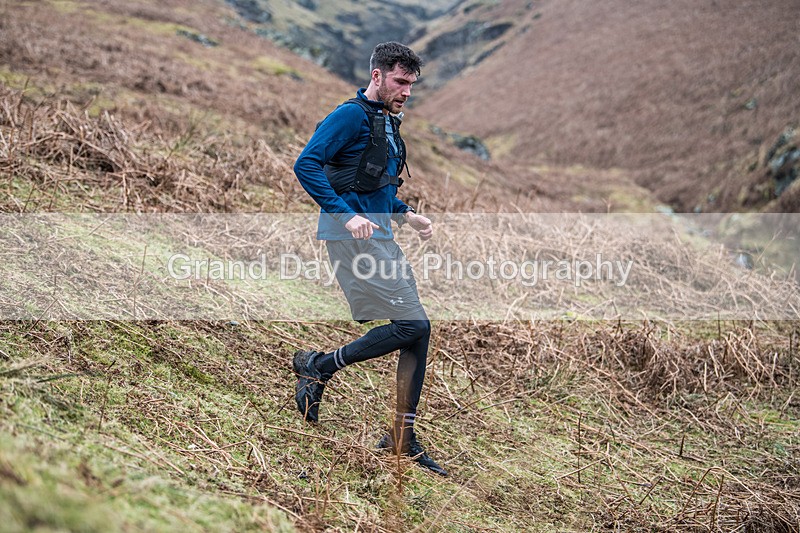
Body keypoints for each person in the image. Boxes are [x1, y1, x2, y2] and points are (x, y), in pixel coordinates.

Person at [292, 42, 446, 476]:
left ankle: (401, 436)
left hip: (379, 236)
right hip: (351, 238)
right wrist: (346, 215)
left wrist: (406, 213)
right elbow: (307, 165)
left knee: (417, 331)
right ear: (377, 76)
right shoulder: (349, 116)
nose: (407, 91)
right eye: (400, 81)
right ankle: (318, 366)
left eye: (412, 84)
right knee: (412, 324)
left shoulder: (386, 122)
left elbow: (372, 183)